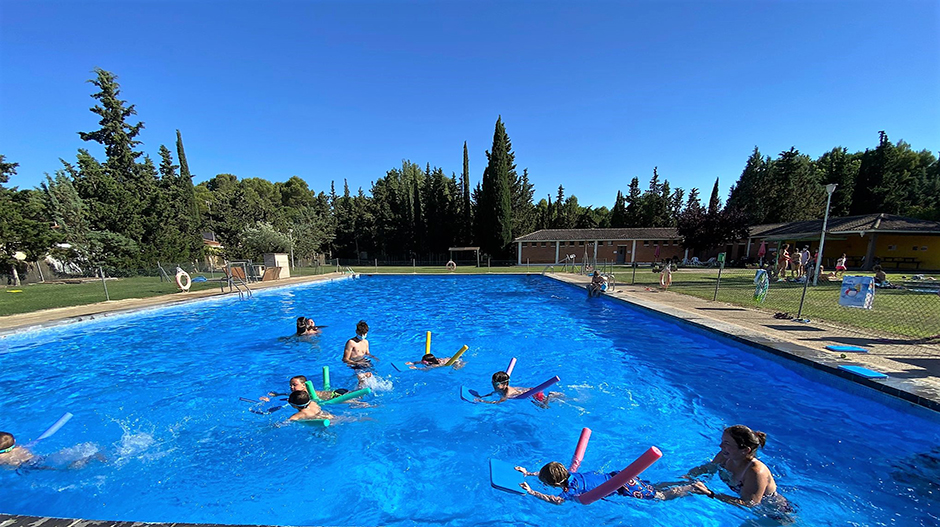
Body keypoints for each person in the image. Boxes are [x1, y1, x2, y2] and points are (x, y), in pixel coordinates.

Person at [682, 425, 793, 515]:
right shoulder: (724, 456)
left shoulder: (756, 471)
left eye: (727, 444)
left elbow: (750, 504)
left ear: (745, 450)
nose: (720, 446)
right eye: (722, 441)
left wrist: (710, 494)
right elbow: (707, 469)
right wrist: (686, 477)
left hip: (775, 514)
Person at [514, 461, 694, 504]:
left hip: (625, 487)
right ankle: (683, 480)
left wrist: (531, 492)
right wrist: (528, 473)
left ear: (554, 484)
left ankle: (691, 487)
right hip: (620, 476)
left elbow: (556, 501)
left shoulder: (569, 490)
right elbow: (545, 475)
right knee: (654, 487)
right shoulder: (568, 474)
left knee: (660, 497)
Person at [475, 371, 561, 406]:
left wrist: (482, 401)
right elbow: (493, 393)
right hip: (529, 390)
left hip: (534, 394)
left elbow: (498, 402)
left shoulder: (507, 393)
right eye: (492, 382)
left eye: (496, 383)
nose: (493, 385)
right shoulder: (499, 388)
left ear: (505, 384)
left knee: (544, 406)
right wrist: (482, 396)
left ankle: (551, 396)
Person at [259, 375, 349, 403]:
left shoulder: (305, 394)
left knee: (355, 402)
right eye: (290, 385)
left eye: (294, 385)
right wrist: (274, 396)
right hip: (335, 393)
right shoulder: (298, 394)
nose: (291, 387)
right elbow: (287, 395)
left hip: (336, 395)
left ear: (303, 385)